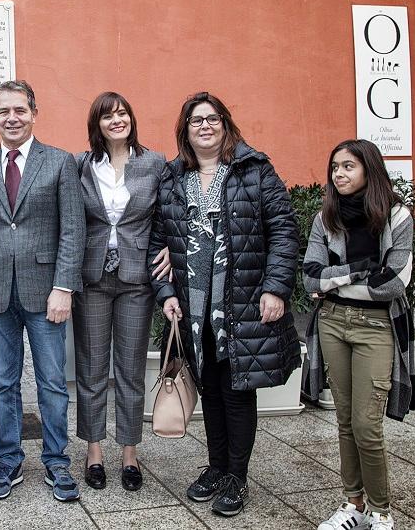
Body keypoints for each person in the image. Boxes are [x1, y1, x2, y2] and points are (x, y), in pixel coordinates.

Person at [149, 91, 300, 517]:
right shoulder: (172, 178)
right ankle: (216, 468)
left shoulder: (255, 170)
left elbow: (284, 231)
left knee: (237, 391)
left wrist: (276, 288)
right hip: (194, 307)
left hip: (242, 300)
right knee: (210, 390)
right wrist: (166, 295)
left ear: (226, 124)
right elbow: (156, 242)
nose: (205, 126)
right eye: (196, 121)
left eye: (212, 119)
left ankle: (237, 476)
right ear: (185, 130)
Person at [0, 80, 87, 503]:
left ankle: (56, 462)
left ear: (34, 112)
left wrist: (64, 286)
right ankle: (9, 459)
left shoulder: (59, 163)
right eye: (3, 111)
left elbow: (73, 230)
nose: (11, 118)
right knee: (2, 382)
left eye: (19, 110)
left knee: (52, 382)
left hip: (46, 292)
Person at [302, 139, 415, 530]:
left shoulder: (396, 216)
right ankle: (353, 505)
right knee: (345, 421)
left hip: (376, 327)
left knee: (367, 425)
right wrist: (360, 270)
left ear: (370, 168)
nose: (339, 174)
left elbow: (394, 282)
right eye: (335, 167)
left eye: (348, 166)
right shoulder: (325, 219)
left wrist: (334, 282)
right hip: (333, 323)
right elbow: (309, 277)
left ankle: (381, 513)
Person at [73, 92, 167, 492]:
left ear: (132, 118)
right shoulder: (81, 164)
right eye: (108, 115)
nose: (117, 120)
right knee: (92, 370)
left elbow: (169, 213)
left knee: (129, 371)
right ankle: (94, 450)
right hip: (91, 277)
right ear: (96, 123)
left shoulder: (155, 163)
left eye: (123, 113)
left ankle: (130, 453)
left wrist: (166, 247)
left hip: (136, 279)